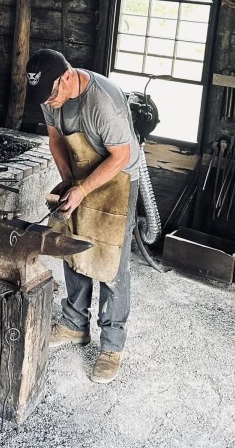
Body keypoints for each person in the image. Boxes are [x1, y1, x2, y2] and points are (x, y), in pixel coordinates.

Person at [25, 49, 140, 384]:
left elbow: (121, 155)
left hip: (116, 179)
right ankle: (74, 325)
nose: (49, 101)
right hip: (81, 173)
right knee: (71, 248)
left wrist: (84, 189)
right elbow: (56, 138)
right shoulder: (48, 95)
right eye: (44, 97)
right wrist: (66, 179)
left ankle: (112, 346)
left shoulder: (102, 102)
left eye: (53, 94)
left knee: (111, 263)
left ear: (67, 76)